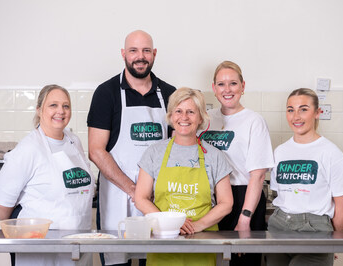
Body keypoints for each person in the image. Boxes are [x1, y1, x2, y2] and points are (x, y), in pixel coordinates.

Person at [87, 30, 176, 266]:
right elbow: (96, 150)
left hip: (160, 200)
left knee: (158, 261)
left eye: (146, 50)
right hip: (117, 198)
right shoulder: (106, 93)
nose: (140, 56)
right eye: (134, 50)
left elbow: (179, 146)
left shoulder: (170, 94)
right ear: (123, 54)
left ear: (154, 54)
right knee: (118, 259)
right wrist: (135, 190)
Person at [0, 84, 95, 266]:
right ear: (39, 110)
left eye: (66, 106)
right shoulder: (29, 148)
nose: (60, 111)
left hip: (79, 243)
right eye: (53, 105)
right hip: (42, 250)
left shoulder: (74, 141)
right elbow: (1, 205)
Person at [135, 87, 233, 266]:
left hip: (203, 242)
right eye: (178, 111)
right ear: (171, 116)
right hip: (163, 240)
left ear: (201, 117)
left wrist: (197, 225)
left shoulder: (215, 155)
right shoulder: (154, 153)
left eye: (191, 112)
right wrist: (168, 224)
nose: (184, 117)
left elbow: (226, 203)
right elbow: (140, 198)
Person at [267, 88, 343, 266]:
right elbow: (282, 195)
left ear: (317, 113)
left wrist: (329, 239)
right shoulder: (280, 152)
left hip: (315, 229)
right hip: (279, 226)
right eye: (291, 110)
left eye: (304, 109)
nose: (296, 116)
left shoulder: (331, 153)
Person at [200, 61, 274, 265]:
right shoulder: (205, 119)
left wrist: (245, 218)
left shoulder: (253, 121)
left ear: (243, 86)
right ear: (214, 88)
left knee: (242, 261)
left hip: (243, 198)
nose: (227, 89)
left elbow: (258, 175)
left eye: (233, 83)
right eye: (221, 84)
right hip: (211, 199)